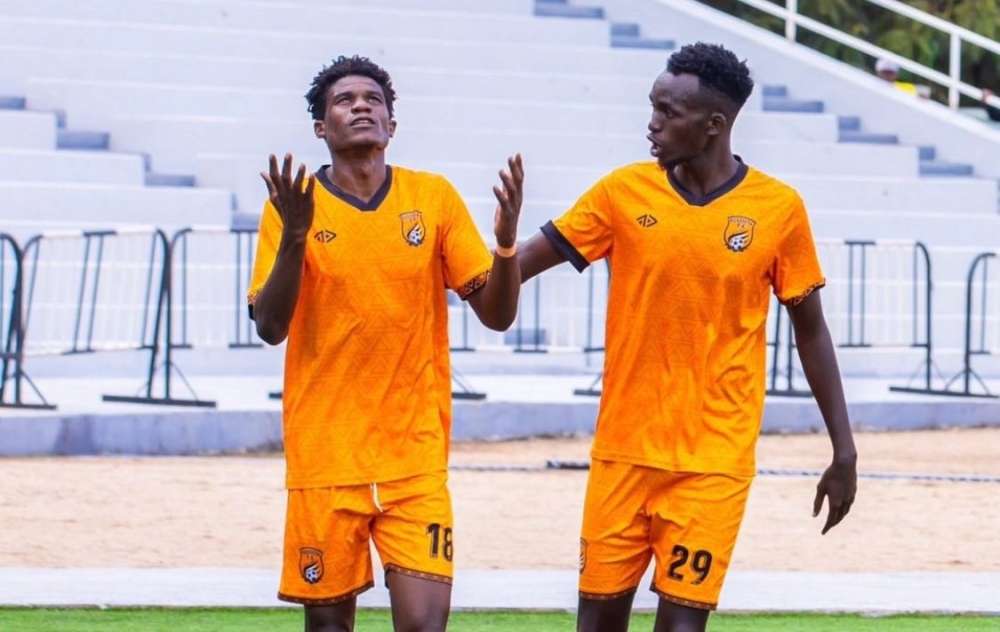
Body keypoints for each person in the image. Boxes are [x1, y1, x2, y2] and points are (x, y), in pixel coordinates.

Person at [516, 42, 858, 632]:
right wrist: (459, 263)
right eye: (652, 106)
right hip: (622, 454)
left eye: (668, 112)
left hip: (713, 461)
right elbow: (514, 267)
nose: (652, 123)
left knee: (682, 627)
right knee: (596, 625)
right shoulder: (621, 193)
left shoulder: (778, 209)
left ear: (713, 125)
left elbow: (811, 330)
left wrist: (844, 449)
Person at [248, 54, 524, 632]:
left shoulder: (433, 197)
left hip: (413, 458)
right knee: (329, 628)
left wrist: (504, 247)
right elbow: (271, 327)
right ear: (321, 128)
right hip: (326, 457)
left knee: (425, 626)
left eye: (374, 99)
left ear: (392, 125)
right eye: (344, 101)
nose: (361, 107)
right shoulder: (291, 209)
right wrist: (296, 234)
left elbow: (496, 316)